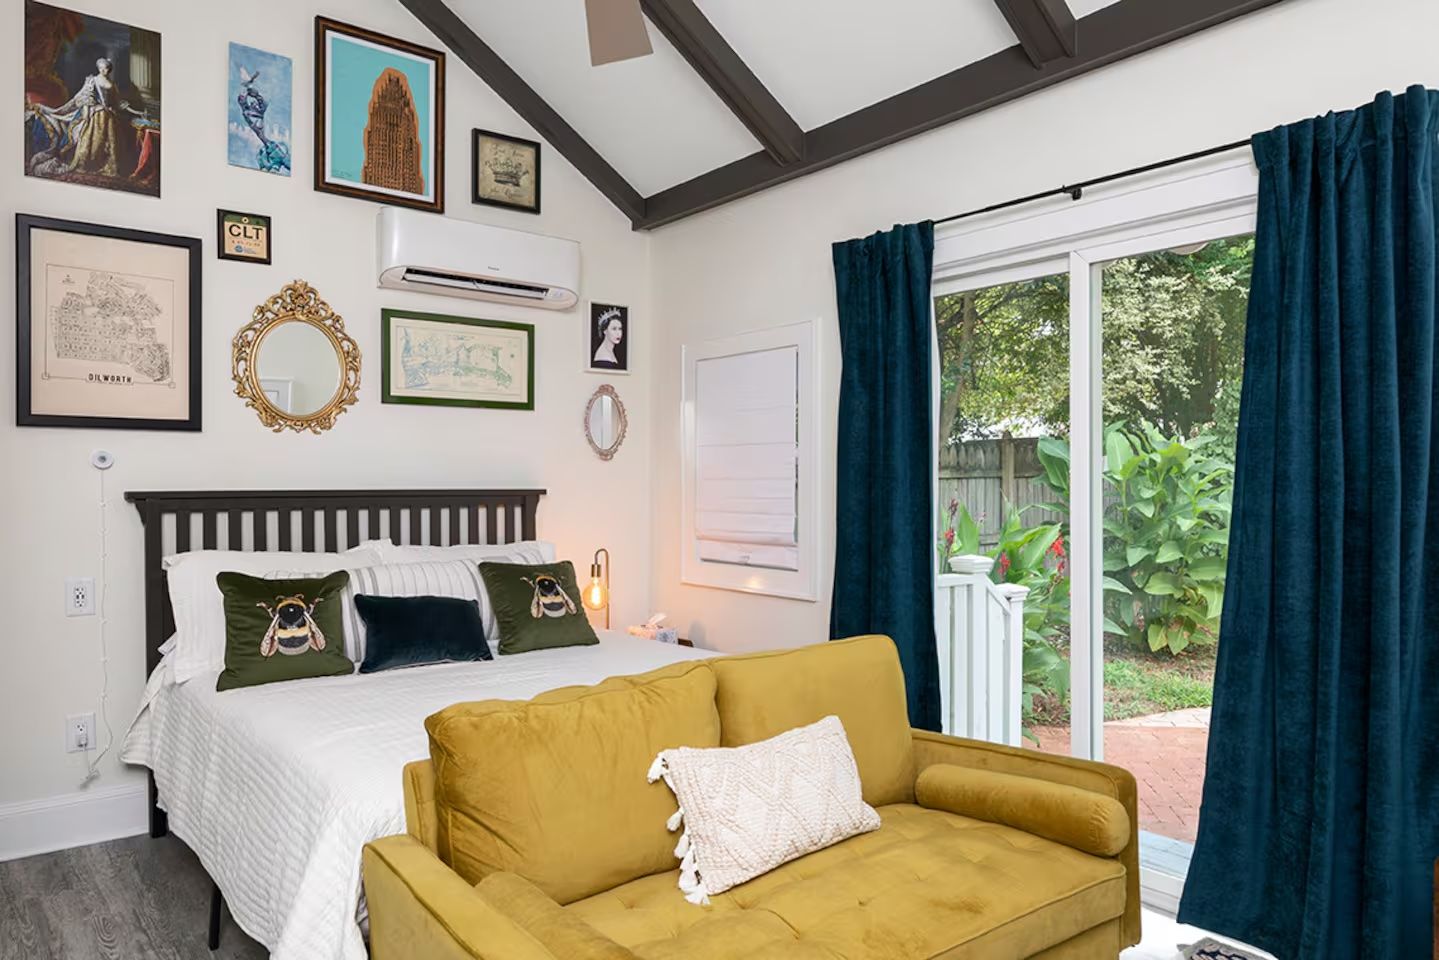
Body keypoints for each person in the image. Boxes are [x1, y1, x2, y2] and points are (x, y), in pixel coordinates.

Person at [27, 57, 135, 180]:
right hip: (94, 115)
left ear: (110, 69)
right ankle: (86, 163)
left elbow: (117, 102)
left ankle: (103, 163)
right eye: (102, 68)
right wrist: (91, 105)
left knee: (110, 143)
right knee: (88, 141)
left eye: (107, 68)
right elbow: (80, 97)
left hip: (108, 117)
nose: (104, 70)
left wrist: (133, 110)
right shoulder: (92, 81)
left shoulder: (112, 85)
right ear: (99, 68)